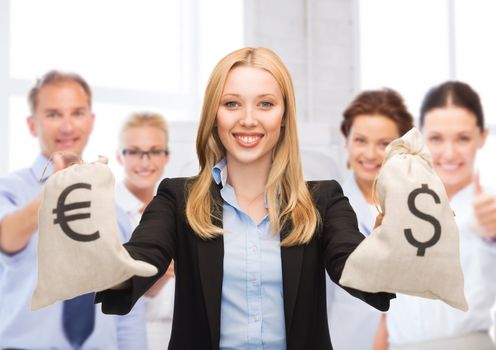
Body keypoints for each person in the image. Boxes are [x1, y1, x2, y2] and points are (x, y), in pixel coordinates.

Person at [95, 47, 395, 349]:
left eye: (265, 104)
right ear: (214, 114)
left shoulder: (324, 201)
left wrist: (390, 243)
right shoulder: (177, 199)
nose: (248, 119)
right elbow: (137, 262)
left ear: (283, 116)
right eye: (232, 104)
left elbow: (358, 270)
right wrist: (88, 245)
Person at [0, 70, 147, 349]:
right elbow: (6, 237)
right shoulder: (9, 190)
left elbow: (128, 306)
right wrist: (49, 198)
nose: (67, 126)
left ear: (90, 121)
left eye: (77, 113)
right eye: (53, 114)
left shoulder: (114, 213)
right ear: (32, 124)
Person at [381, 81, 496, 349]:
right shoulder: (397, 204)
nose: (449, 153)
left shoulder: (488, 207)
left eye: (463, 138)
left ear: (482, 137)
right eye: (436, 138)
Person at [326, 88, 414, 350]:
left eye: (384, 143)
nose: (370, 154)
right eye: (360, 140)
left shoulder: (420, 206)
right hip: (347, 340)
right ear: (347, 141)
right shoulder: (327, 207)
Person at [116, 112, 175, 349]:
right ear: (120, 157)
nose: (145, 161)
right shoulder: (107, 214)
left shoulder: (173, 211)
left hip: (173, 333)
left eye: (154, 151)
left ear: (166, 156)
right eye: (134, 151)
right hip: (127, 336)